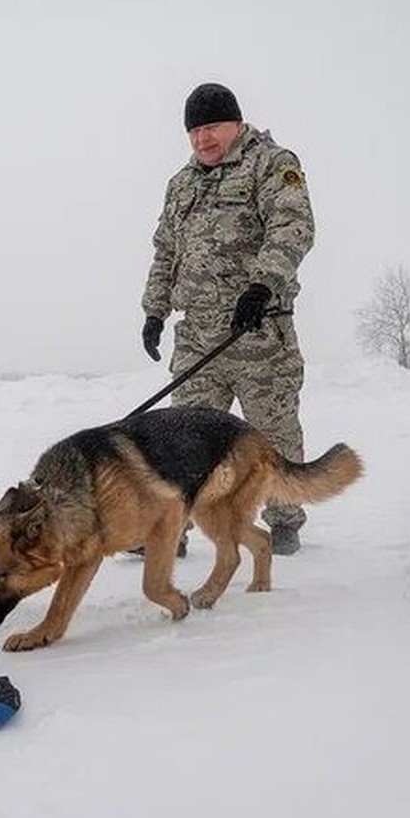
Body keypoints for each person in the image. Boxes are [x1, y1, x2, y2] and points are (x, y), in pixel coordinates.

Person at [140, 82, 315, 555]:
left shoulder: (272, 164)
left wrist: (262, 284)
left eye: (212, 127)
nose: (203, 139)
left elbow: (293, 226)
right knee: (184, 439)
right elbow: (165, 251)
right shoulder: (182, 184)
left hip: (258, 333)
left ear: (236, 123)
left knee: (273, 433)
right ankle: (171, 528)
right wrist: (154, 309)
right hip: (198, 338)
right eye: (194, 131)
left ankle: (284, 521)